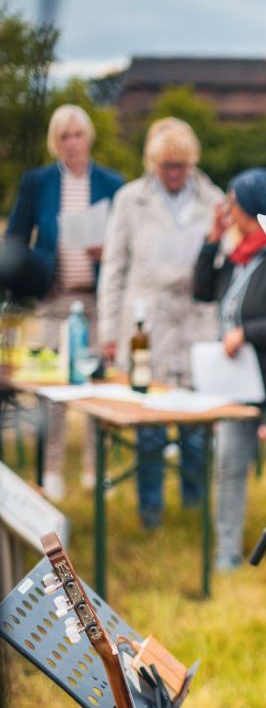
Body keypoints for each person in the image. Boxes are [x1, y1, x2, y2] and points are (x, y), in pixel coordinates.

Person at [97, 117, 223, 527]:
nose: (174, 174)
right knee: (148, 419)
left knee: (196, 421)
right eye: (166, 166)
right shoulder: (130, 198)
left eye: (181, 166)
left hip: (194, 318)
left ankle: (195, 508)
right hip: (146, 321)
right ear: (153, 163)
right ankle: (149, 511)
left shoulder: (213, 198)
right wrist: (108, 331)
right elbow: (114, 267)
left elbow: (222, 265)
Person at [5, 104, 124, 498]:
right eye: (63, 137)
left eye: (77, 135)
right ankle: (51, 468)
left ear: (88, 137)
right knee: (54, 387)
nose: (71, 144)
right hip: (54, 298)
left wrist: (106, 251)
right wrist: (38, 262)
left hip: (97, 299)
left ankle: (96, 468)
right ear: (55, 142)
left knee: (95, 385)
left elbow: (125, 240)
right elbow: (17, 239)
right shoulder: (38, 182)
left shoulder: (111, 182)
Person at [193, 168, 266, 570]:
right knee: (229, 468)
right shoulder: (238, 256)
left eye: (233, 203)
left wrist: (246, 333)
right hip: (234, 385)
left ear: (252, 209)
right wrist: (212, 240)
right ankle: (227, 552)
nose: (227, 210)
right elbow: (202, 290)